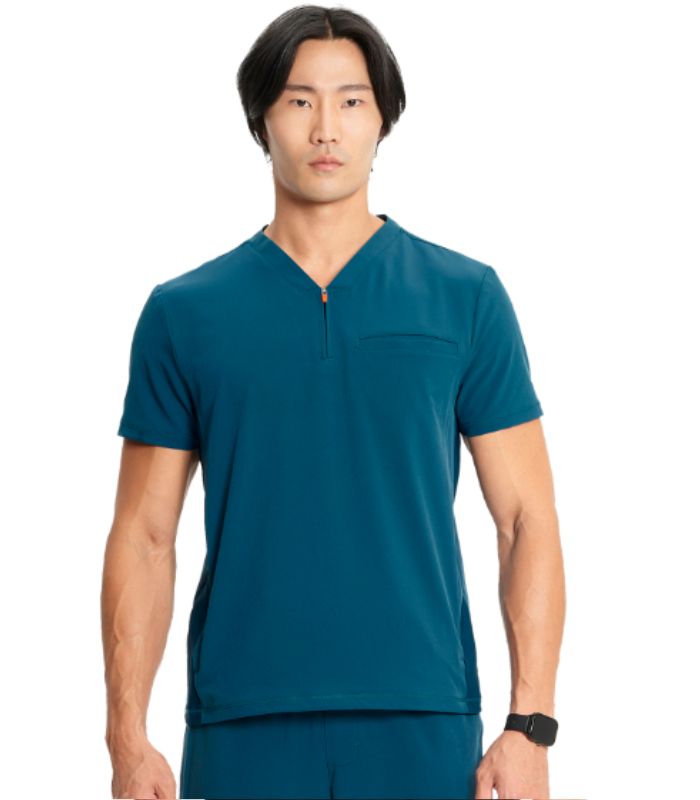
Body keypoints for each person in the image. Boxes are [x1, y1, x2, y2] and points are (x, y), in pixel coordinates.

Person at [101, 5, 566, 799]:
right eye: (299, 100)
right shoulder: (186, 313)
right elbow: (144, 536)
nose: (326, 128)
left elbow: (527, 519)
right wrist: (126, 737)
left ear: (382, 119)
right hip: (240, 720)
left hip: (422, 717)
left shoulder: (466, 297)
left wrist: (531, 727)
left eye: (352, 101)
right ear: (261, 119)